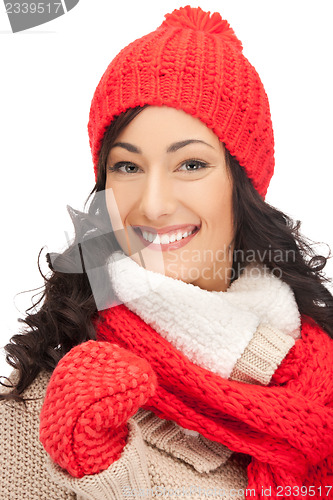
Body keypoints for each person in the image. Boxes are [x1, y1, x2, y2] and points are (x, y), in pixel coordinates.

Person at [1, 5, 332, 500]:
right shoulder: (42, 411)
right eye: (127, 167)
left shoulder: (316, 375)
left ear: (242, 185)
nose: (153, 205)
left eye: (191, 163)